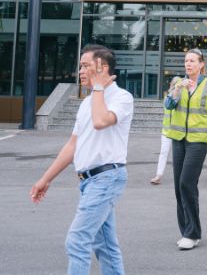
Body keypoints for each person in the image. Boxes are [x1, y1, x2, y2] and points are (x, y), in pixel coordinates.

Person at [30, 45, 133, 274]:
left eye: (86, 66)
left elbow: (100, 121)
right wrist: (45, 179)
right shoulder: (87, 102)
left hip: (107, 177)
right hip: (88, 182)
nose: (81, 71)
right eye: (80, 66)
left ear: (102, 67)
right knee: (105, 245)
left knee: (77, 240)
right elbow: (72, 145)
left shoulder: (122, 97)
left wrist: (97, 88)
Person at [163, 48, 207, 250]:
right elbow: (168, 106)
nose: (188, 64)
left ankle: (193, 233)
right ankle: (187, 231)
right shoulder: (178, 83)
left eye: (193, 61)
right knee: (179, 187)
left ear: (201, 64)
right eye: (186, 61)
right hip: (178, 138)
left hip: (198, 140)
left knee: (187, 182)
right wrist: (178, 89)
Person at [151, 76, 182, 185]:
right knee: (163, 153)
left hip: (178, 131)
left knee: (178, 155)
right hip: (166, 131)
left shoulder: (182, 98)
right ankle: (158, 175)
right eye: (174, 85)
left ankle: (180, 176)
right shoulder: (167, 98)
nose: (175, 87)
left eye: (177, 85)